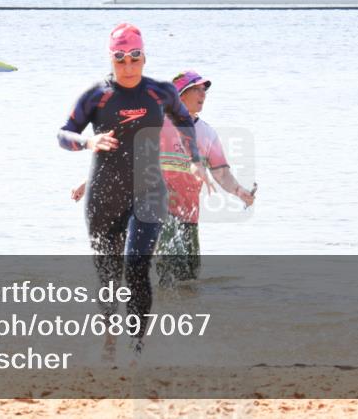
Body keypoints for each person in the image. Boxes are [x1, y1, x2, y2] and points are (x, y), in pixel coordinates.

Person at [58, 22, 204, 358]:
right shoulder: (97, 95)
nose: (128, 66)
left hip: (150, 191)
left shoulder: (160, 92)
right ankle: (110, 338)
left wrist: (194, 159)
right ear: (111, 59)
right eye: (120, 59)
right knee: (108, 274)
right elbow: (63, 134)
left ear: (144, 57)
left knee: (137, 266)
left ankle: (137, 349)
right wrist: (88, 141)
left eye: (135, 58)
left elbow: (184, 120)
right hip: (104, 194)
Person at [154, 70, 256, 285]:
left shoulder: (207, 134)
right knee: (167, 269)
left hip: (189, 215)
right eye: (197, 89)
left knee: (188, 278)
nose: (203, 94)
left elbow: (221, 173)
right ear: (180, 94)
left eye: (204, 90)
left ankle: (184, 313)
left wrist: (240, 192)